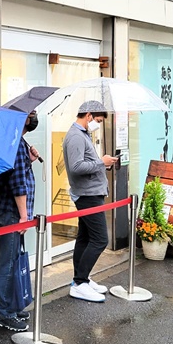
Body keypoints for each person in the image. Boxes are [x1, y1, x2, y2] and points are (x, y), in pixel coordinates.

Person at [62, 100, 119, 303]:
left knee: (85, 238)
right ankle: (79, 282)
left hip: (90, 193)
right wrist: (100, 162)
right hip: (86, 195)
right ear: (88, 115)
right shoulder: (76, 136)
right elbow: (77, 167)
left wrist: (103, 164)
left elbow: (87, 164)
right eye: (97, 120)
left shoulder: (82, 134)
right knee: (100, 239)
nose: (98, 124)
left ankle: (82, 279)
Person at [0, 110, 40, 332]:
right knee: (8, 263)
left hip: (8, 212)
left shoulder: (16, 142)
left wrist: (28, 160)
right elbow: (18, 184)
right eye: (32, 113)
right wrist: (23, 216)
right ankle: (3, 312)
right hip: (12, 214)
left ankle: (11, 305)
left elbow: (15, 173)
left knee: (12, 260)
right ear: (23, 119)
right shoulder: (17, 144)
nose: (35, 116)